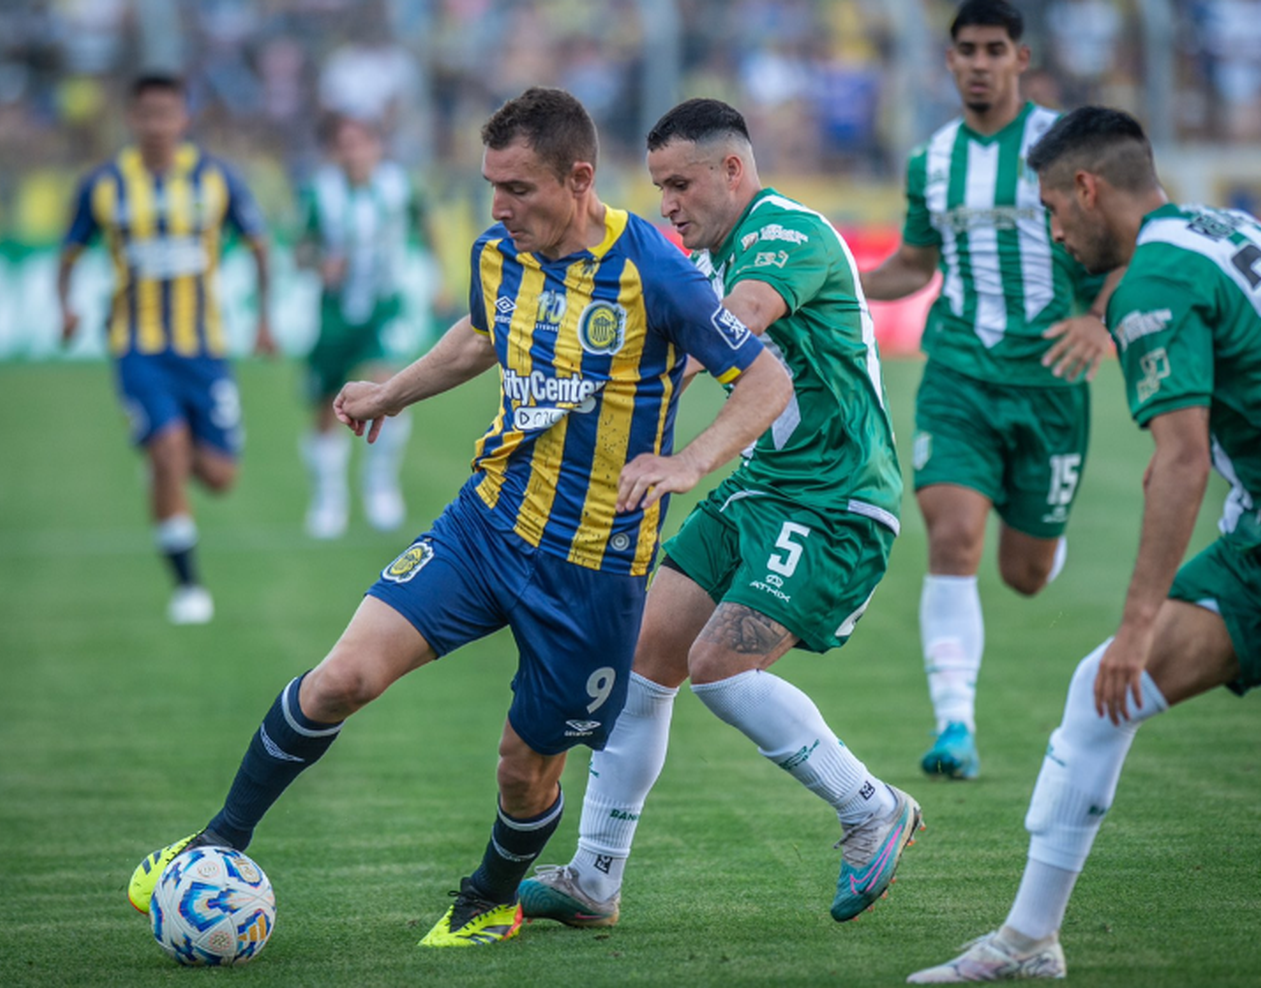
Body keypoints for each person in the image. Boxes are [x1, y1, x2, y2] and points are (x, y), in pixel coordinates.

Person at [125, 87, 792, 950]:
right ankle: (215, 842)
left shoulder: (654, 271)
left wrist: (687, 461)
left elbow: (767, 380)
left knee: (525, 768)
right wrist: (393, 393)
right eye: (491, 186)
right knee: (339, 680)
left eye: (518, 188)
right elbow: (482, 334)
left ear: (579, 177)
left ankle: (489, 898)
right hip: (483, 526)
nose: (498, 207)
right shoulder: (497, 251)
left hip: (590, 569)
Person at [907, 106, 1261, 983]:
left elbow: (1177, 461)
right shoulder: (1220, 226)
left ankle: (1028, 940)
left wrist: (1139, 622)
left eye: (1055, 212)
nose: (1054, 234)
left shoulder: (1151, 284)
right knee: (1099, 699)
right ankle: (1028, 942)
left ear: (1088, 191)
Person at [519, 97, 920, 928]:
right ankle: (595, 880)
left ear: (732, 170)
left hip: (836, 497)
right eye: (658, 186)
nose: (668, 203)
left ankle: (870, 806)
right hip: (765, 487)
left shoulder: (784, 233)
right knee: (644, 656)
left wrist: (686, 453)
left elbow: (735, 327)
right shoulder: (709, 255)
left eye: (681, 184)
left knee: (720, 665)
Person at [860, 0, 1117, 780]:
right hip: (959, 374)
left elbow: (1125, 245)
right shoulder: (931, 160)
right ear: (949, 61)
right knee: (952, 537)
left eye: (993, 49)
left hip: (1049, 384)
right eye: (966, 49)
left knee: (1026, 574)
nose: (978, 62)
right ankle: (955, 726)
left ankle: (1042, 534)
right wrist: (844, 283)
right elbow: (915, 262)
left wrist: (1101, 320)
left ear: (1020, 59)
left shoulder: (1067, 146)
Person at [58, 73, 275, 625]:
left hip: (204, 348)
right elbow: (69, 252)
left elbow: (258, 245)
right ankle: (188, 588)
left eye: (167, 113)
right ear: (132, 119)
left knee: (221, 476)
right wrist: (66, 307)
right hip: (137, 346)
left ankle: (164, 466)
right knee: (169, 452)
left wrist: (264, 320)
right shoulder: (103, 184)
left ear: (185, 119)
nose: (157, 125)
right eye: (147, 113)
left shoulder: (217, 178)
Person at [297, 115, 436, 539]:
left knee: (387, 388)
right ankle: (329, 497)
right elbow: (300, 250)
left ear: (377, 146)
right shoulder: (321, 193)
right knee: (325, 407)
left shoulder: (400, 186)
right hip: (336, 315)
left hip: (384, 307)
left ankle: (381, 487)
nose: (354, 153)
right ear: (335, 151)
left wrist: (442, 276)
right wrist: (321, 263)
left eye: (362, 143)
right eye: (345, 145)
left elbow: (426, 226)